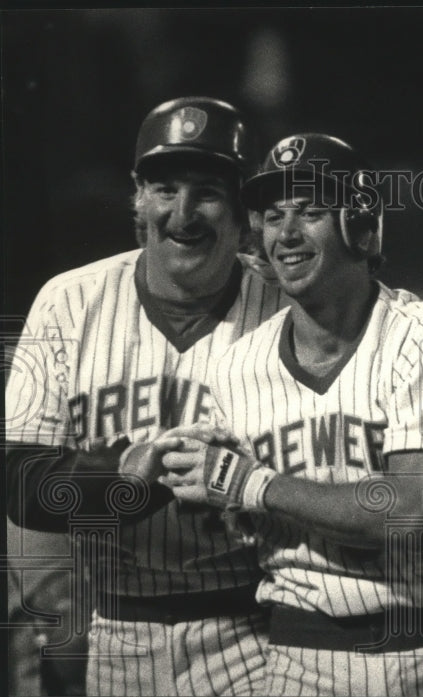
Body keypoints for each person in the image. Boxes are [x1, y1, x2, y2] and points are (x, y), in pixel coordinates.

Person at [158, 133, 423, 696]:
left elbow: (410, 517)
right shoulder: (234, 368)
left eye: (311, 212)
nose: (286, 234)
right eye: (272, 217)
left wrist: (250, 483)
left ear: (361, 226)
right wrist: (169, 470)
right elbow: (234, 526)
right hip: (299, 661)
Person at [5, 96, 285, 696]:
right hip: (115, 627)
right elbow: (21, 483)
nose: (183, 214)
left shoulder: (286, 309)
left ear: (244, 208)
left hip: (258, 628)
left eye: (207, 190)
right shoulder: (69, 302)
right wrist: (131, 475)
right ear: (138, 196)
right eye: (165, 188)